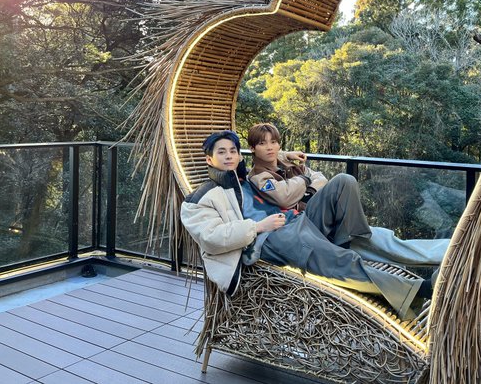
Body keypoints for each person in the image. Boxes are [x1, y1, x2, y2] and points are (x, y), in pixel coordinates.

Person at [181, 130, 449, 319]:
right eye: (221, 152)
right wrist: (258, 227)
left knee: (344, 182)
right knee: (333, 256)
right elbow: (212, 238)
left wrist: (286, 157)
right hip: (268, 240)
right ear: (209, 159)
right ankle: (419, 291)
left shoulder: (248, 177)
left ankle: (444, 250)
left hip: (298, 220)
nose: (229, 156)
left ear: (240, 156)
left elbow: (269, 154)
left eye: (233, 151)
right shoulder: (199, 199)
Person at [247, 122, 327, 211]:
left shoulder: (287, 163)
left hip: (316, 208)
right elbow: (284, 197)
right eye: (262, 143)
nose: (269, 147)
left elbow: (320, 178)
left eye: (273, 142)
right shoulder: (258, 176)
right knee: (339, 181)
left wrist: (309, 192)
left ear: (279, 145)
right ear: (252, 148)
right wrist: (305, 179)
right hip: (298, 217)